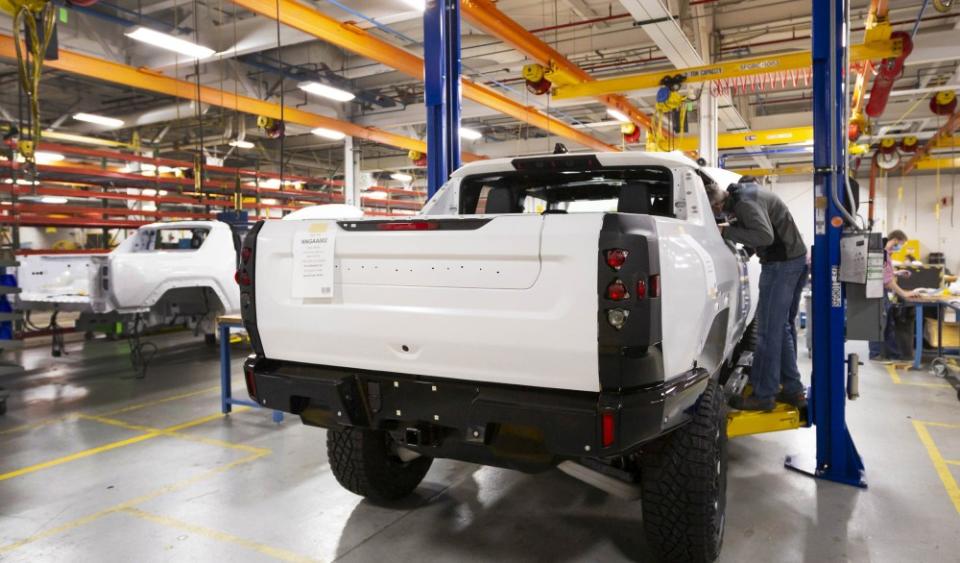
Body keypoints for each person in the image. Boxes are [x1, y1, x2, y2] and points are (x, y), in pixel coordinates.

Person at [705, 177, 808, 411]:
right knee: (778, 329)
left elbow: (765, 236)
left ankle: (764, 396)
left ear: (717, 206)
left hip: (783, 264)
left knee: (767, 332)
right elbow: (762, 228)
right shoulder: (743, 195)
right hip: (789, 260)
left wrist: (726, 231)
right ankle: (793, 390)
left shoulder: (743, 203)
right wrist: (747, 251)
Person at [869, 230, 918, 362]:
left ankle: (890, 354)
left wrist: (897, 273)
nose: (900, 247)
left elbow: (886, 274)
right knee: (879, 323)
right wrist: (904, 293)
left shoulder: (887, 254)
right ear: (896, 240)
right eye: (901, 244)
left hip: (880, 292)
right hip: (877, 292)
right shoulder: (883, 254)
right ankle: (875, 354)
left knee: (887, 323)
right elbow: (887, 281)